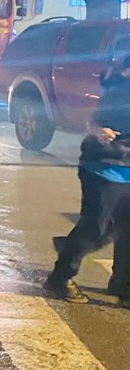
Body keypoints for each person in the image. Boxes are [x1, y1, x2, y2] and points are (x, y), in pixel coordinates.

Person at [44, 55, 130, 304]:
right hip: (105, 168)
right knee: (96, 226)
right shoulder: (121, 92)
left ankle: (122, 283)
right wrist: (99, 131)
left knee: (127, 229)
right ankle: (59, 279)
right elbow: (95, 121)